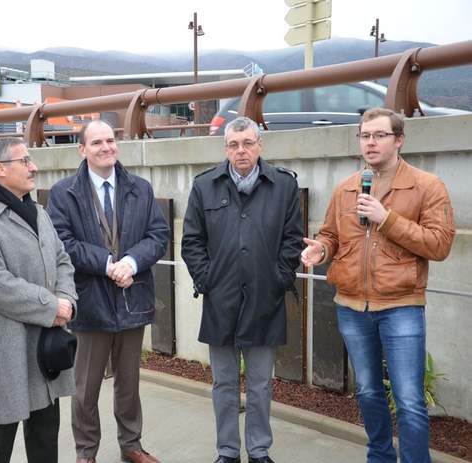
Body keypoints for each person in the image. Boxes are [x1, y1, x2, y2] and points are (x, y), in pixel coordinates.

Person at [301, 107, 455, 463]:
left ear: (399, 140)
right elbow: (331, 235)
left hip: (402, 305)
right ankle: (380, 457)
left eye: (379, 135)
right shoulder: (346, 188)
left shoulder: (427, 186)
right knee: (369, 392)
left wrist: (387, 219)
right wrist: (321, 250)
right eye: (364, 136)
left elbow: (439, 244)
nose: (370, 142)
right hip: (352, 307)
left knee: (409, 399)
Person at [181, 117, 303, 463]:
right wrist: (208, 281)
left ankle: (259, 449)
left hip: (266, 301)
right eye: (234, 145)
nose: (241, 151)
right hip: (221, 302)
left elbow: (292, 240)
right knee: (223, 384)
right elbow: (191, 242)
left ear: (259, 145)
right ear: (226, 149)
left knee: (261, 384)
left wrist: (279, 278)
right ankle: (228, 451)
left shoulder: (282, 185)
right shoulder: (206, 185)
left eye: (248, 143)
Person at [46, 120, 169, 463]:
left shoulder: (140, 189)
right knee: (85, 387)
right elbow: (63, 243)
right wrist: (107, 263)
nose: (106, 147)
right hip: (89, 302)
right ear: (82, 150)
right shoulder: (63, 192)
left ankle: (131, 445)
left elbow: (158, 236)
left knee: (129, 383)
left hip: (132, 298)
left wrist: (130, 262)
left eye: (111, 140)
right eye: (97, 142)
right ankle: (86, 452)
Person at [0, 137, 77, 463]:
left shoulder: (38, 212)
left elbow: (62, 260)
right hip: (7, 348)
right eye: (24, 160)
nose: (33, 166)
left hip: (45, 344)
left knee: (45, 433)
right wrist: (52, 307)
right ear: (0, 170)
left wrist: (67, 300)